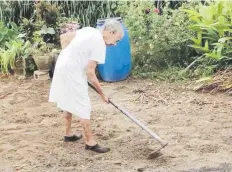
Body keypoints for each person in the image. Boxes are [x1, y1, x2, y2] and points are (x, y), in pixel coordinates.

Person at [48, 19, 124, 153]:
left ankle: (68, 134)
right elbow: (90, 71)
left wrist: (71, 57)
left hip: (62, 65)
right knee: (84, 104)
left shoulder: (90, 30)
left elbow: (64, 38)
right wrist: (102, 94)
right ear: (111, 32)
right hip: (72, 70)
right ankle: (90, 142)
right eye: (116, 40)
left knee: (68, 98)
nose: (115, 44)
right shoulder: (100, 43)